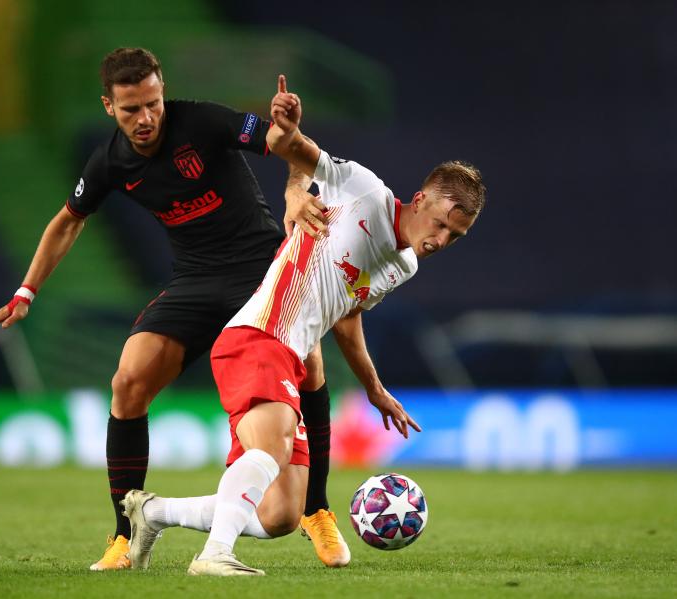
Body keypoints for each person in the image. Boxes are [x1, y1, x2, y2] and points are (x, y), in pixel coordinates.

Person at [0, 48, 350, 570]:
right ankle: (125, 535)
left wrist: (291, 177)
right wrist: (25, 293)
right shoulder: (109, 161)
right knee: (128, 381)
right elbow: (68, 220)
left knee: (309, 363)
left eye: (152, 103)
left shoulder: (202, 119)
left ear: (162, 90)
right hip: (195, 280)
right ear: (109, 106)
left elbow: (290, 147)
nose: (146, 117)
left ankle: (317, 510)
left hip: (260, 271)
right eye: (131, 109)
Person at [121, 74, 486, 576]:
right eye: (441, 222)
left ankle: (153, 512)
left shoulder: (404, 267)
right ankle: (214, 556)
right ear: (419, 199)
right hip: (260, 335)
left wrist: (374, 389)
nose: (442, 238)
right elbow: (298, 151)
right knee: (269, 452)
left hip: (291, 356)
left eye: (456, 235)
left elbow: (347, 316)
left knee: (279, 515)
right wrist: (287, 131)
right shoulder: (365, 191)